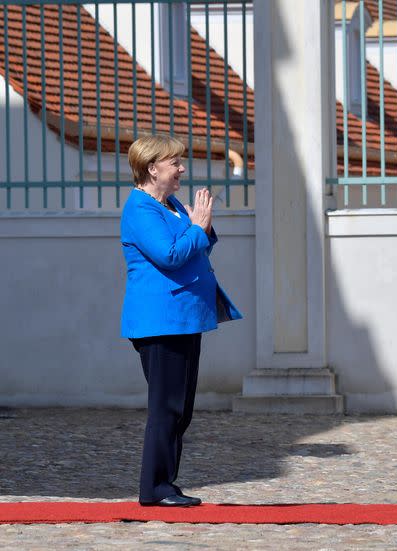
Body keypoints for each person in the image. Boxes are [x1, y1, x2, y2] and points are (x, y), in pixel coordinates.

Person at [120, 135, 242, 507]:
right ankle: (154, 488)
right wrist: (198, 227)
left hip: (184, 317)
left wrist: (200, 226)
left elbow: (195, 243)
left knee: (181, 408)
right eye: (174, 162)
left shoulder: (169, 204)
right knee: (166, 406)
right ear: (152, 167)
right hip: (161, 321)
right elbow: (171, 255)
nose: (181, 169)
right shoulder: (141, 209)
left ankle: (165, 484)